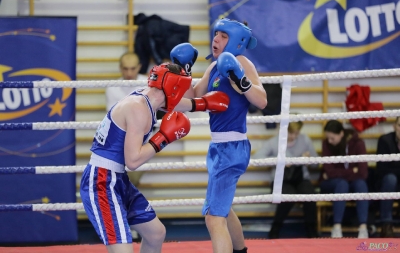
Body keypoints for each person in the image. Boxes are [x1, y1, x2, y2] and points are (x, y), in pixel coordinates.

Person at [80, 60, 230, 253]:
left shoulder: (148, 96)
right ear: (174, 89)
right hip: (101, 182)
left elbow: (176, 103)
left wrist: (202, 104)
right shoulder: (137, 109)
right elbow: (133, 161)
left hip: (117, 178)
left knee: (156, 233)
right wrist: (163, 138)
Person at [187, 18, 267, 253]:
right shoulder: (213, 67)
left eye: (223, 36)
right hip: (218, 149)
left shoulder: (242, 62)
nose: (216, 39)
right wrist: (184, 71)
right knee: (223, 207)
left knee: (213, 218)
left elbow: (262, 100)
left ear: (237, 41)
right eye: (216, 34)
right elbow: (194, 95)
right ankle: (240, 250)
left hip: (233, 147)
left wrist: (242, 84)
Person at [253, 120, 319, 238]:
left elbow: (316, 164)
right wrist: (280, 160)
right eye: (291, 133)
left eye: (296, 133)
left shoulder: (304, 140)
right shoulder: (274, 142)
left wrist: (308, 159)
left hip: (301, 178)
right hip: (281, 179)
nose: (293, 136)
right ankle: (275, 230)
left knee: (310, 195)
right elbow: (257, 157)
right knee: (287, 196)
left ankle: (311, 231)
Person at [319, 120, 369, 239]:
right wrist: (352, 171)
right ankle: (337, 226)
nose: (330, 141)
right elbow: (329, 172)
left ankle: (363, 227)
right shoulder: (326, 144)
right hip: (331, 183)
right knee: (342, 184)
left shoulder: (358, 143)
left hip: (352, 181)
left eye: (332, 138)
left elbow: (363, 172)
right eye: (328, 138)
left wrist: (340, 173)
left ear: (341, 134)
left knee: (361, 184)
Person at [375, 116, 400, 237]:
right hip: (387, 182)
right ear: (395, 126)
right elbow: (382, 168)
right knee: (391, 179)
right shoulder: (385, 140)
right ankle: (386, 224)